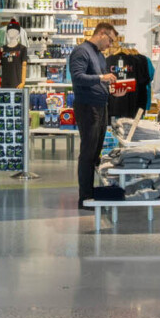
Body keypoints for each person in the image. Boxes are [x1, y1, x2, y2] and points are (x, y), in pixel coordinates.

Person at [68, 21, 119, 207]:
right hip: (87, 107)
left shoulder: (99, 55)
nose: (110, 45)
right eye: (110, 40)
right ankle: (85, 197)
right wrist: (101, 78)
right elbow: (78, 77)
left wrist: (113, 89)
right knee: (88, 153)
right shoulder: (81, 51)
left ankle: (92, 194)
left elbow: (103, 80)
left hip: (100, 106)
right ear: (102, 33)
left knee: (96, 152)